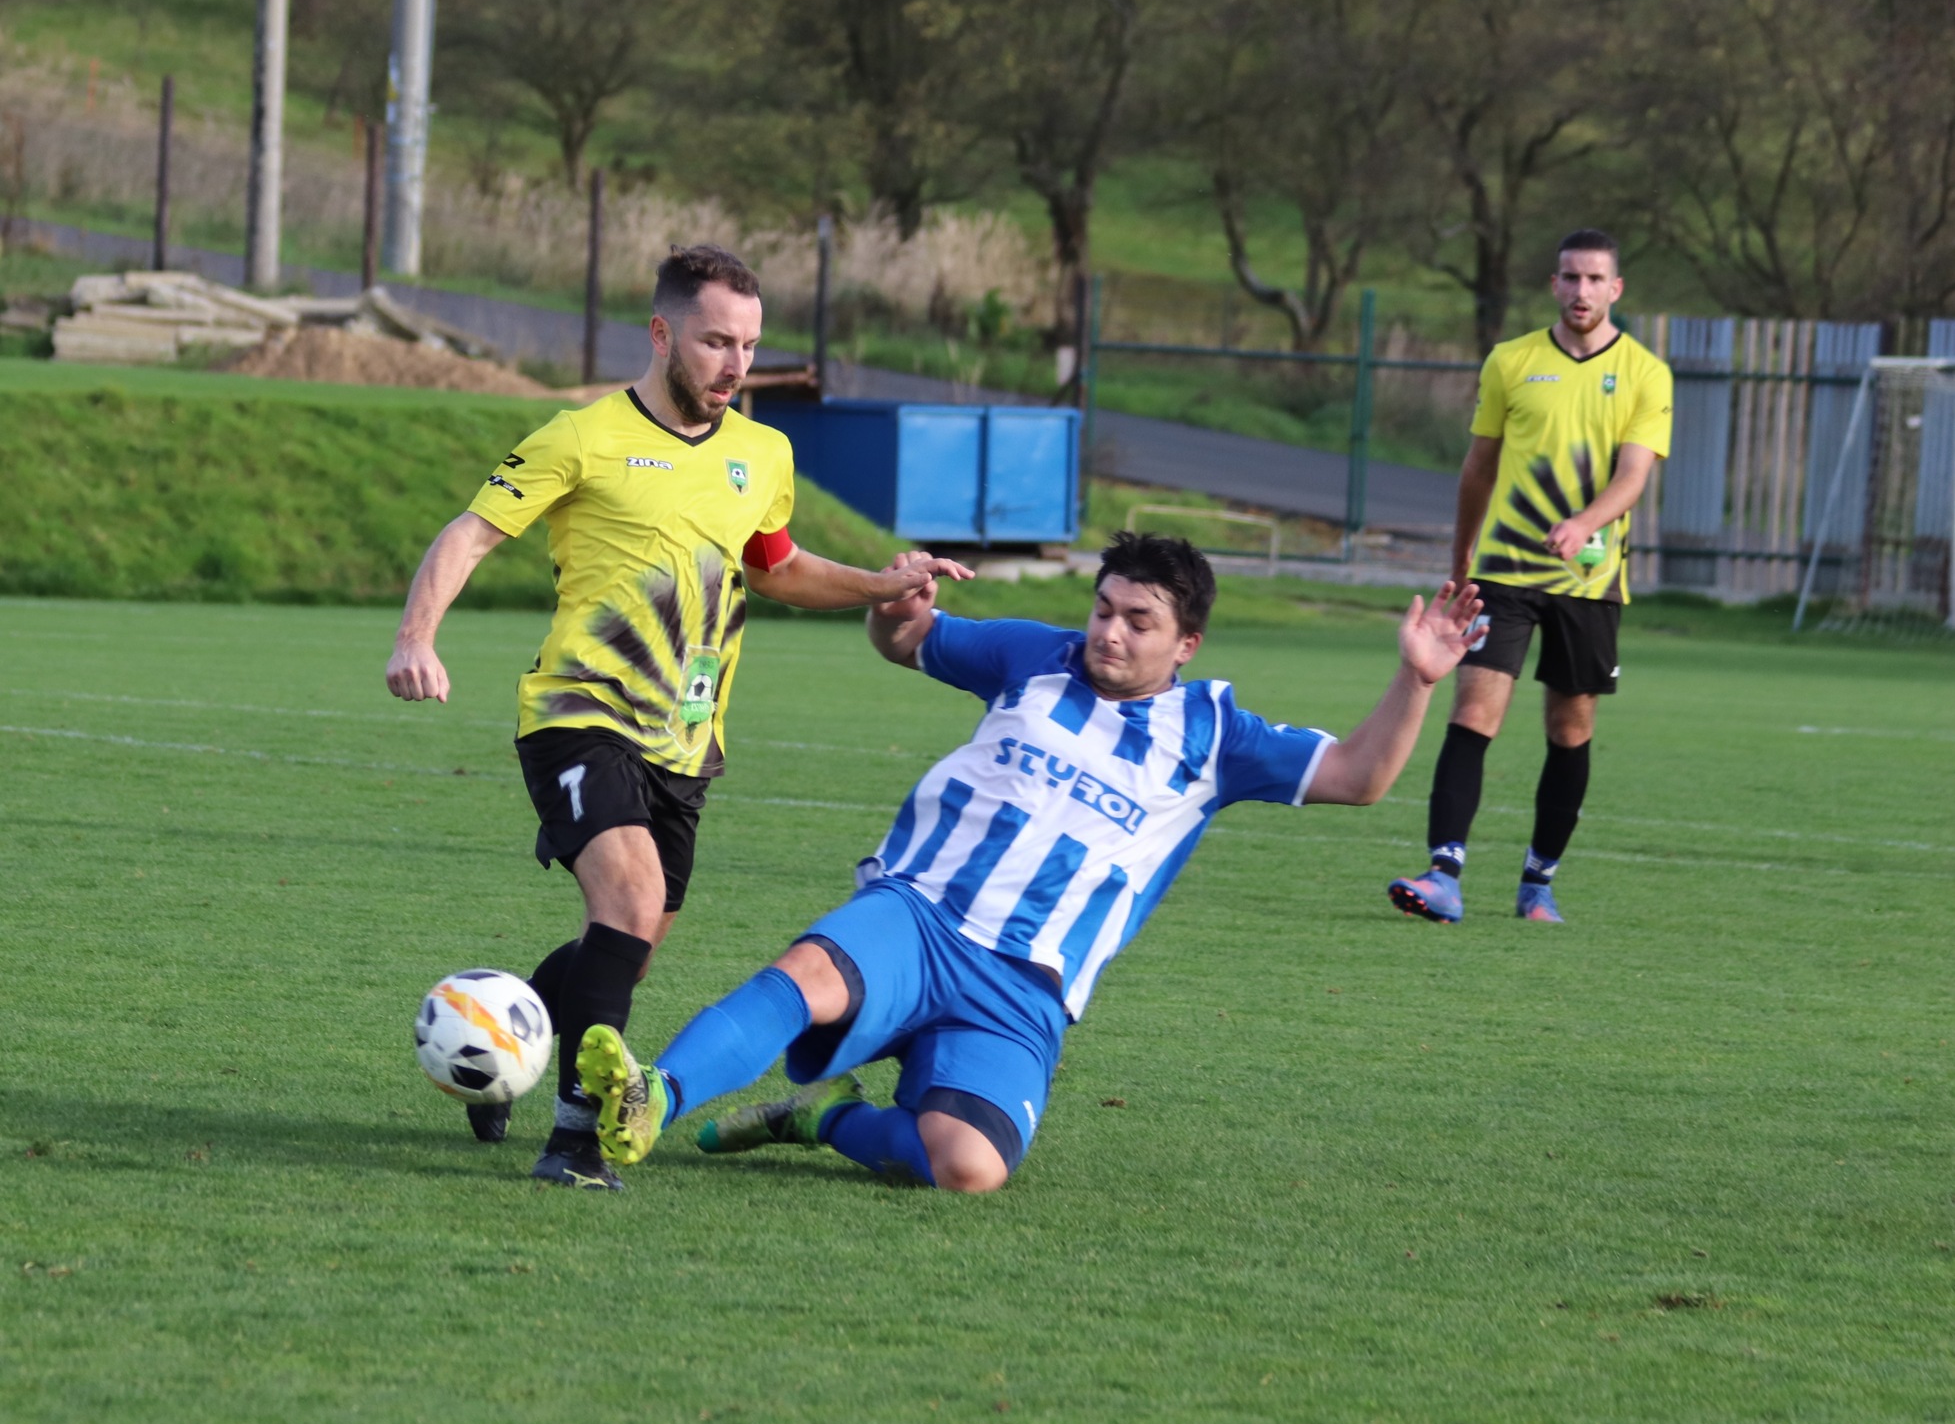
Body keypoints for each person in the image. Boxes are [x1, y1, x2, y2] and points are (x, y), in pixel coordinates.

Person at [558, 532, 1484, 1194]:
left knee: (968, 1168)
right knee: (808, 974)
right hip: (920, 912)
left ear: (1185, 643)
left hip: (1024, 982)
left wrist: (1416, 677)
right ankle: (653, 1094)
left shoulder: (1216, 736)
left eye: (1139, 621)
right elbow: (906, 640)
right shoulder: (1034, 655)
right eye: (1104, 609)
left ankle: (822, 1116)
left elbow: (1359, 776)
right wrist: (896, 606)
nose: (1110, 632)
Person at [384, 244, 971, 1188]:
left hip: (687, 740)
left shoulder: (762, 454)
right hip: (579, 712)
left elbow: (777, 567)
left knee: (631, 947)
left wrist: (880, 583)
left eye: (749, 345)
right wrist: (416, 638)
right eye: (715, 342)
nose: (736, 364)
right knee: (626, 903)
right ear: (662, 334)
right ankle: (575, 1140)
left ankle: (505, 1032)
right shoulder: (580, 437)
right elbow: (471, 533)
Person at [1388, 228, 1673, 925]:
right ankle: (1443, 875)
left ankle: (1537, 883)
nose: (1581, 290)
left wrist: (1583, 524)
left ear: (1615, 289)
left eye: (1594, 279)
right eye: (1570, 277)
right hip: (1504, 571)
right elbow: (1478, 467)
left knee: (1569, 728)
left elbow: (1633, 476)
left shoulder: (1645, 372)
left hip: (1590, 581)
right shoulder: (1510, 361)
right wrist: (1461, 555)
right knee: (1472, 712)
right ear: (1553, 284)